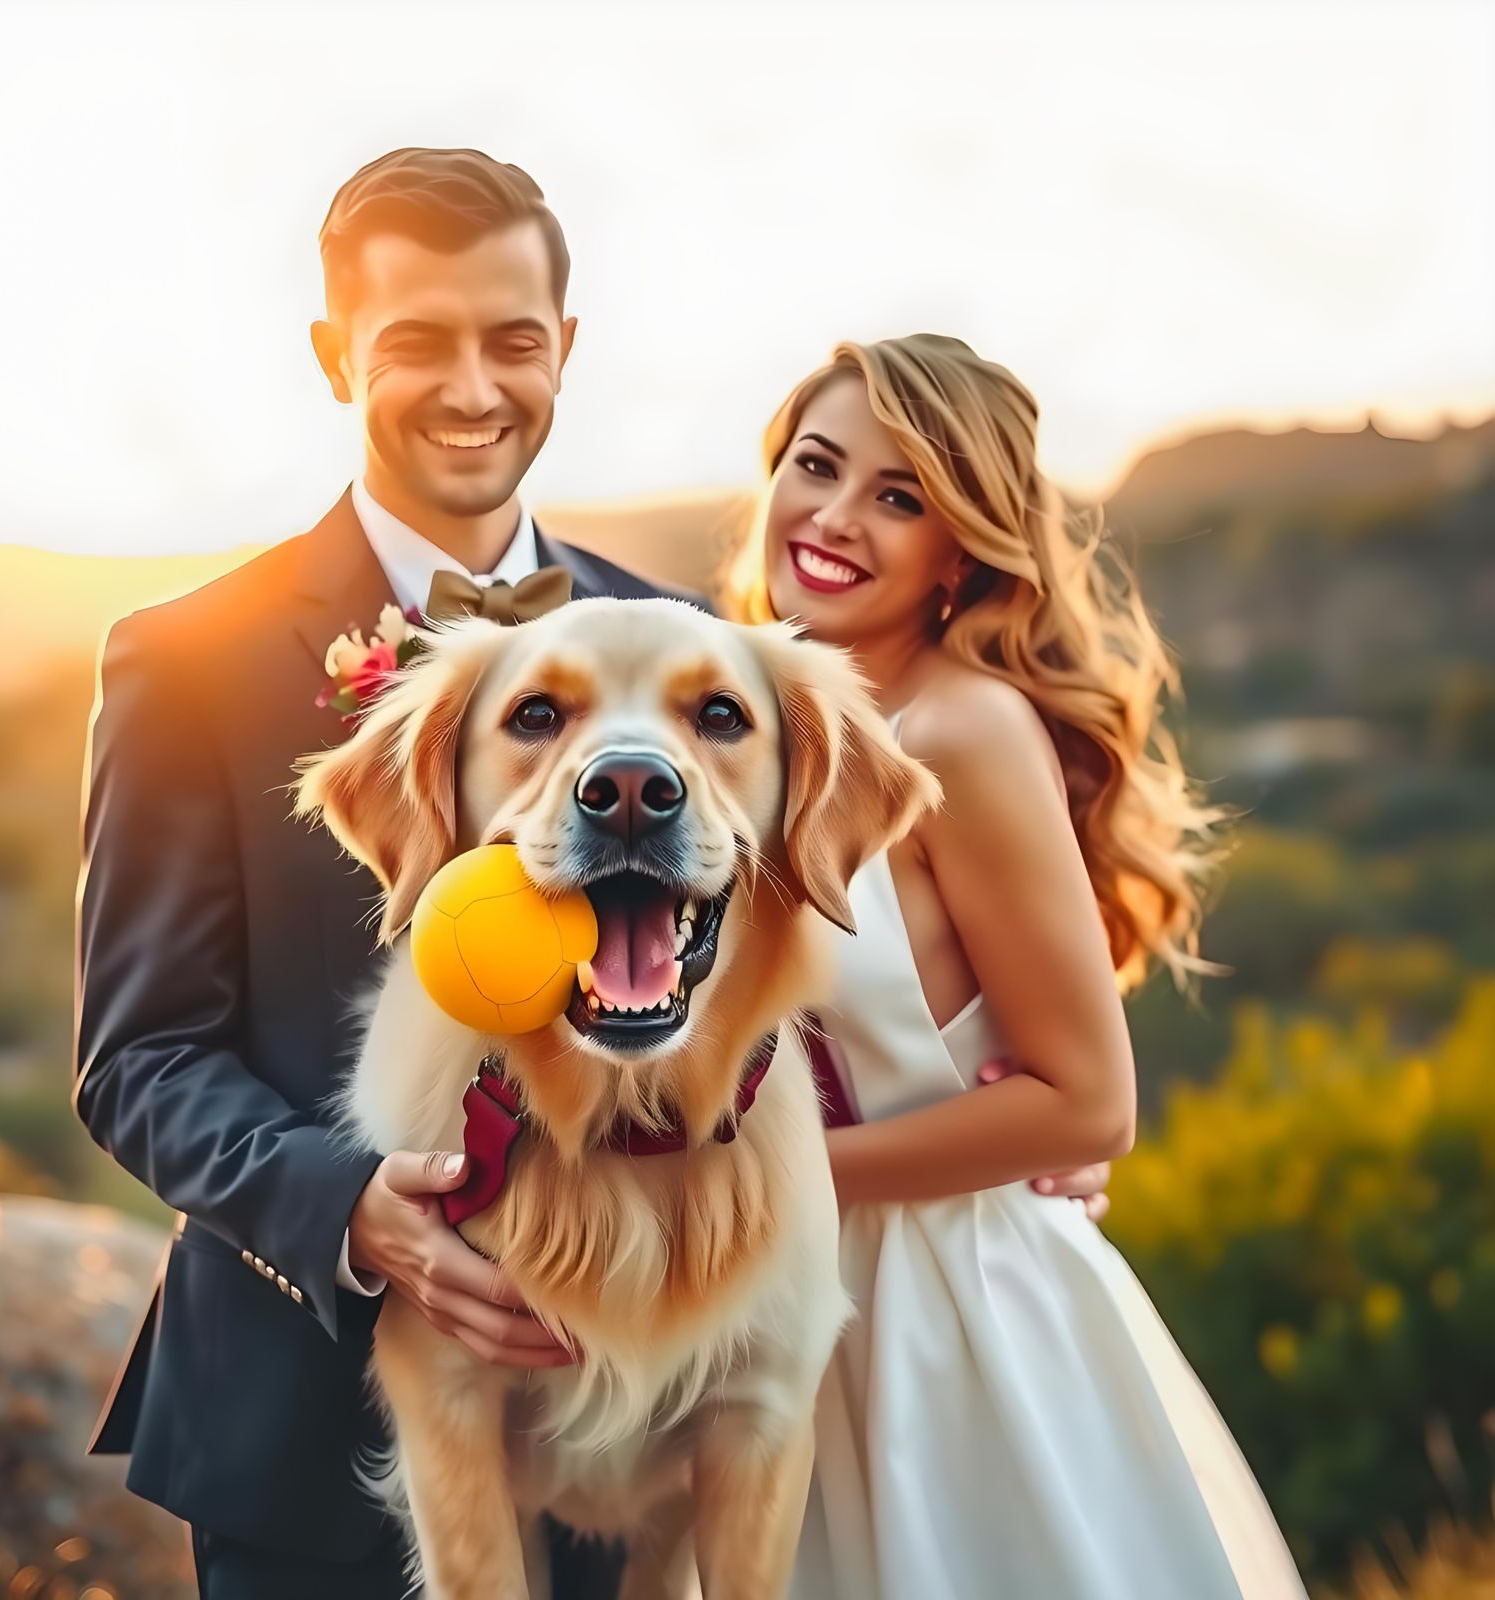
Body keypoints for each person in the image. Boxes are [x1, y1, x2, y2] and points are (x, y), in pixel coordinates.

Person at [72, 147, 706, 1600]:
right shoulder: (187, 662)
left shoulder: (672, 638)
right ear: (332, 355)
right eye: (417, 341)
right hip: (305, 1426)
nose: (475, 388)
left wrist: (990, 1119)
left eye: (514, 341)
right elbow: (140, 1056)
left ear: (568, 351)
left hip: (618, 1420)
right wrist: (347, 1208)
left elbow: (749, 977)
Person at [727, 334, 1309, 1598]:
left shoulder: (964, 732)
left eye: (900, 496)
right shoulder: (735, 725)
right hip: (768, 1323)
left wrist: (751, 1184)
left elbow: (1089, 1104)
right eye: (815, 467)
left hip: (948, 1322)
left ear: (963, 548)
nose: (834, 517)